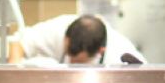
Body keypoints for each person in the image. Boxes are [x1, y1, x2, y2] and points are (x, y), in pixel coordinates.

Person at [9, 14, 146, 65]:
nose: (71, 63)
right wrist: (13, 76)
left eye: (79, 61)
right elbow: (18, 43)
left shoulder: (119, 52)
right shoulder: (60, 27)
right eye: (69, 55)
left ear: (100, 51)